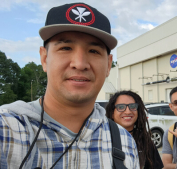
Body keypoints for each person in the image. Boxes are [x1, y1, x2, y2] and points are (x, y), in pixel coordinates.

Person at [0, 3, 139, 169]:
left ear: (109, 65)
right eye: (66, 48)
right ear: (44, 59)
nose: (80, 64)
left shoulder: (125, 142)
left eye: (94, 51)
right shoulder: (7, 130)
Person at [105, 90, 164, 169]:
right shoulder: (104, 140)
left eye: (132, 106)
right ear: (112, 113)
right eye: (121, 107)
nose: (128, 111)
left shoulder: (146, 143)